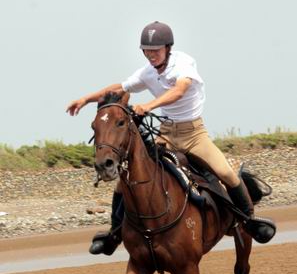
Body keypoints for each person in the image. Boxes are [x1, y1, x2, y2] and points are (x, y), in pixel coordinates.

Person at [66, 21, 273, 254]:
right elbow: (120, 88)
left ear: (168, 48)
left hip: (194, 134)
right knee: (126, 180)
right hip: (166, 133)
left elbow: (179, 90)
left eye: (155, 50)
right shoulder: (147, 73)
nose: (151, 55)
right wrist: (85, 99)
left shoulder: (182, 64)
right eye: (146, 51)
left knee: (225, 172)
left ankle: (250, 221)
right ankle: (114, 233)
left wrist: (150, 105)